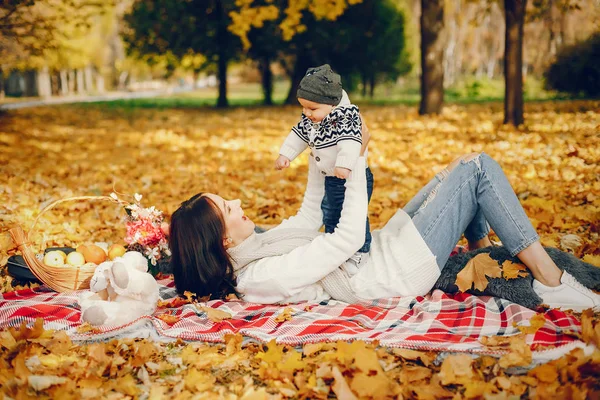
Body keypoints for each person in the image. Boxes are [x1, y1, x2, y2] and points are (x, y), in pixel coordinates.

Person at [169, 122, 600, 312]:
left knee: (455, 169)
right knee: (478, 169)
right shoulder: (260, 277)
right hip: (390, 271)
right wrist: (355, 161)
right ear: (223, 240)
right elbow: (343, 239)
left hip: (383, 251)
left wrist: (325, 146)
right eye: (228, 209)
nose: (238, 203)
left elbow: (306, 215)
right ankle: (551, 282)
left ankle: (481, 253)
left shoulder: (257, 246)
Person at [274, 64, 374, 263]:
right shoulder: (313, 119)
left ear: (332, 103)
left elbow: (352, 141)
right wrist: (286, 155)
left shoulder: (346, 116)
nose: (307, 113)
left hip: (348, 176)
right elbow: (298, 135)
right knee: (330, 214)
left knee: (353, 214)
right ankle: (333, 247)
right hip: (332, 177)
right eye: (303, 107)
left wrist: (344, 165)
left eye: (312, 108)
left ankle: (360, 251)